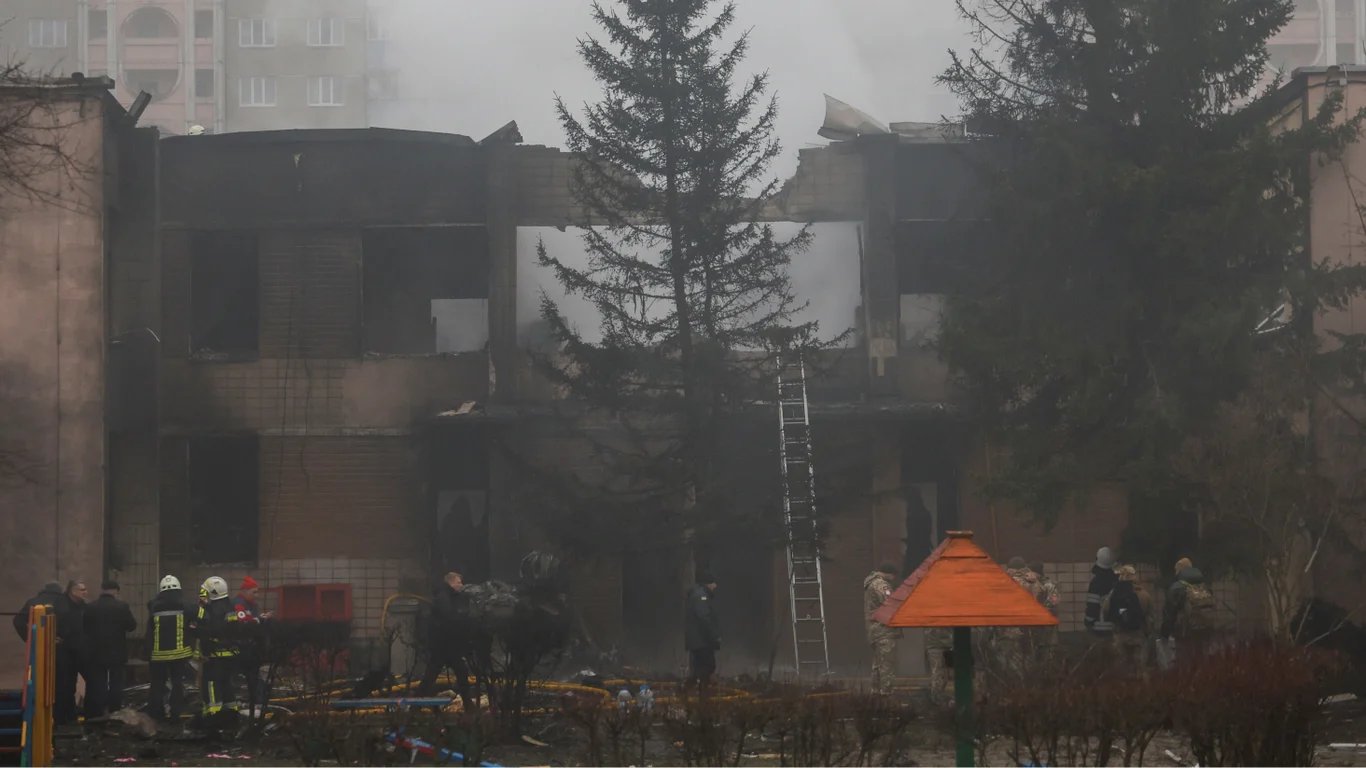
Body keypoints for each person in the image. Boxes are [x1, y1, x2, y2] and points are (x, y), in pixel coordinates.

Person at [418, 572, 475, 709]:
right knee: (456, 673)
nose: (461, 585)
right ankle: (415, 705)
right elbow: (450, 618)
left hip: (445, 645)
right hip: (444, 645)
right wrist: (464, 619)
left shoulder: (448, 596)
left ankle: (415, 705)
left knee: (436, 675)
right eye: (458, 582)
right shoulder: (444, 598)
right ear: (451, 582)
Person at [145, 575, 196, 722]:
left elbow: (150, 631)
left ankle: (156, 714)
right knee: (177, 683)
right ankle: (175, 714)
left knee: (157, 684)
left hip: (158, 655)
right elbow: (195, 620)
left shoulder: (153, 606)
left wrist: (147, 652)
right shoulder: (186, 605)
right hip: (179, 654)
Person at [84, 579, 137, 717]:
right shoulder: (122, 606)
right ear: (116, 591)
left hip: (95, 652)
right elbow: (132, 626)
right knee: (116, 683)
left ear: (102, 589)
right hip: (116, 651)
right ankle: (115, 711)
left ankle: (97, 713)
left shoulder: (90, 607)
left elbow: (85, 627)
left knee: (98, 683)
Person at [1160, 557, 1225, 662]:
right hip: (1206, 629)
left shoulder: (1177, 588)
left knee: (1185, 662)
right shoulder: (1204, 586)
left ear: (1179, 571)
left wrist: (1164, 634)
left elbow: (1169, 614)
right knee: (1203, 659)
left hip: (1185, 632)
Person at [230, 576, 272, 715]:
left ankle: (256, 702)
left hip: (252, 648)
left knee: (253, 676)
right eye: (254, 592)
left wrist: (260, 620)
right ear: (245, 591)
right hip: (240, 647)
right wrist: (259, 619)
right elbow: (243, 623)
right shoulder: (238, 604)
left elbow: (252, 621)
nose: (257, 595)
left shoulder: (252, 605)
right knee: (239, 676)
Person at [197, 576, 239, 715]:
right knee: (227, 683)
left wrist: (204, 652)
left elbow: (206, 631)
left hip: (214, 656)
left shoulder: (209, 611)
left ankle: (214, 713)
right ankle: (232, 712)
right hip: (231, 655)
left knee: (211, 684)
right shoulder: (230, 606)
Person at [54, 580, 89, 726]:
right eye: (82, 590)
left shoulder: (84, 607)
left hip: (79, 650)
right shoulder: (61, 606)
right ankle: (62, 717)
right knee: (64, 685)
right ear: (73, 591)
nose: (85, 592)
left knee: (73, 684)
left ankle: (72, 714)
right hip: (64, 651)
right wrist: (54, 636)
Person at [1107, 565, 1153, 673]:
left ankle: (1124, 682)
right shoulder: (1144, 595)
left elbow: (1106, 611)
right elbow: (1150, 616)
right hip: (1138, 634)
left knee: (1122, 665)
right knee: (1140, 665)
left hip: (1120, 634)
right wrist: (1148, 631)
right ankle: (1141, 681)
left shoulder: (1114, 594)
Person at [863, 563, 900, 694]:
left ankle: (875, 692)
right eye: (894, 576)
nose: (894, 579)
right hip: (883, 630)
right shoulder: (881, 584)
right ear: (889, 574)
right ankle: (887, 693)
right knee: (887, 665)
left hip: (875, 631)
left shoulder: (871, 583)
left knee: (878, 665)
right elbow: (890, 604)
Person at [684, 570, 721, 696]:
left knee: (698, 670)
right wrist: (714, 637)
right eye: (713, 583)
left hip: (697, 641)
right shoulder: (701, 597)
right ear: (708, 583)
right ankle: (701, 696)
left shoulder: (697, 594)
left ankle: (691, 692)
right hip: (702, 641)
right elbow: (704, 618)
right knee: (707, 667)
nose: (715, 586)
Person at [1084, 547, 1119, 639]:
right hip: (1117, 627)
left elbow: (1092, 607)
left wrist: (1088, 621)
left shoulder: (1096, 582)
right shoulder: (1118, 581)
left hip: (1099, 628)